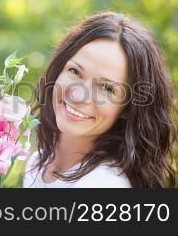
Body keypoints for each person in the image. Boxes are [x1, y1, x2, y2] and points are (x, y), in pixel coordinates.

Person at [24, 11, 177, 188]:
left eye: (107, 88)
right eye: (75, 72)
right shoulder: (38, 162)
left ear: (128, 108)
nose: (79, 95)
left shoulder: (102, 183)